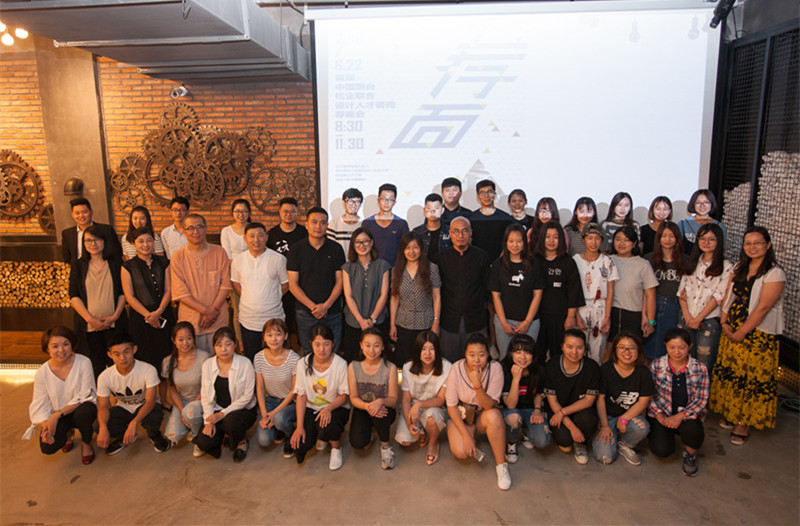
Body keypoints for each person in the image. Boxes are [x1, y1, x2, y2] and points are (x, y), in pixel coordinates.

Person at [711, 226, 786, 445]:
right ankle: (730, 411)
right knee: (732, 373)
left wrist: (743, 331)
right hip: (732, 328)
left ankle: (743, 422)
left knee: (750, 378)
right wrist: (724, 321)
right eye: (748, 243)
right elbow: (729, 295)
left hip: (757, 334)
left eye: (757, 243)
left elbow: (763, 307)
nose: (752, 247)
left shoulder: (774, 273)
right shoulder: (739, 267)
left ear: (768, 245)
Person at [445, 333, 511, 490]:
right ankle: (470, 433)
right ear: (465, 355)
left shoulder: (495, 368)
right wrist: (467, 436)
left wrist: (477, 385)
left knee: (494, 416)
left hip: (483, 415)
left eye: (481, 355)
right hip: (462, 416)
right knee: (461, 451)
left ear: (488, 354)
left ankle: (501, 466)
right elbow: (451, 406)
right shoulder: (456, 368)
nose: (476, 360)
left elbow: (488, 405)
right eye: (472, 355)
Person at [25, 326, 97, 464]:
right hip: (60, 415)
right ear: (47, 349)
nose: (61, 350)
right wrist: (47, 426)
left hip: (80, 409)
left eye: (65, 344)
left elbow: (85, 395)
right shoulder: (42, 373)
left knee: (84, 412)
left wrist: (56, 415)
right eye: (55, 346)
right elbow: (41, 402)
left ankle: (86, 443)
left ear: (72, 345)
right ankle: (67, 434)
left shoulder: (83, 362)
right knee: (47, 447)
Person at [648, 327, 709, 477]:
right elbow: (649, 395)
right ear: (666, 346)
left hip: (686, 415)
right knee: (662, 450)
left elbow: (701, 399)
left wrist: (680, 416)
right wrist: (659, 415)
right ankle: (668, 434)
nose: (677, 352)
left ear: (690, 346)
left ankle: (690, 454)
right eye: (672, 347)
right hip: (662, 414)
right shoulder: (656, 365)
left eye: (682, 347)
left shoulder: (700, 368)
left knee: (693, 431)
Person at [69, 224, 128, 379]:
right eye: (88, 240)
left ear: (104, 241)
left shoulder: (116, 263)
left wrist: (114, 316)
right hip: (89, 327)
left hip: (114, 324)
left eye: (97, 240)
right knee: (94, 367)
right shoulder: (78, 266)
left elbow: (123, 292)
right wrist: (91, 320)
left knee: (118, 367)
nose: (93, 244)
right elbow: (74, 296)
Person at [96, 333, 170, 456]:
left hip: (145, 405)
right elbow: (103, 406)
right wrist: (102, 427)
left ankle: (154, 435)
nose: (122, 358)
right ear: (110, 355)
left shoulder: (148, 369)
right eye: (117, 354)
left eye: (126, 352)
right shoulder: (105, 376)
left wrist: (134, 422)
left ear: (134, 350)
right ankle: (124, 436)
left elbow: (150, 401)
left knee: (154, 414)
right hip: (123, 408)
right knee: (99, 423)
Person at [291, 323, 350, 470]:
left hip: (335, 407)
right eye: (317, 344)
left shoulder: (340, 364)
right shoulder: (302, 363)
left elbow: (343, 396)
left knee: (327, 425)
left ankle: (335, 447)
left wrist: (328, 409)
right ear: (311, 343)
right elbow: (301, 396)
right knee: (300, 447)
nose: (321, 349)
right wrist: (299, 427)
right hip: (312, 407)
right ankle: (320, 435)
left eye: (326, 344)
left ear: (333, 343)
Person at [287, 207, 346, 354]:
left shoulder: (336, 249)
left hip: (332, 311)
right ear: (306, 225)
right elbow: (293, 284)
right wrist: (314, 307)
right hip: (305, 313)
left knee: (332, 352)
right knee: (309, 353)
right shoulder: (296, 250)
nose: (318, 226)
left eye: (323, 222)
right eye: (314, 222)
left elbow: (340, 281)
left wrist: (326, 306)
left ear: (327, 226)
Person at [170, 213, 232, 352]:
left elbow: (225, 285)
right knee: (195, 360)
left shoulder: (219, 252)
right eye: (190, 228)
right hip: (191, 322)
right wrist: (207, 312)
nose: (195, 231)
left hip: (218, 320)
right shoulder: (178, 257)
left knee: (220, 359)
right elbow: (181, 293)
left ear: (206, 228)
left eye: (199, 227)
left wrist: (213, 311)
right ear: (184, 231)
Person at [677, 223, 732, 377]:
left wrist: (698, 319)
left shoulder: (726, 266)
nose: (706, 242)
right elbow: (681, 293)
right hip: (686, 318)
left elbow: (719, 296)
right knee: (682, 359)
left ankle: (701, 392)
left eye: (711, 239)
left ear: (719, 241)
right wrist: (688, 317)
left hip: (708, 320)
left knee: (704, 364)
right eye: (702, 239)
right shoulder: (692, 262)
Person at [592, 332, 654, 466]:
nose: (627, 352)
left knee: (642, 428)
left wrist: (624, 419)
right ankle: (610, 436)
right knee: (605, 457)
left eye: (631, 348)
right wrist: (604, 426)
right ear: (615, 349)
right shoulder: (606, 369)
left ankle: (625, 444)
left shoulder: (643, 372)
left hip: (629, 416)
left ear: (638, 350)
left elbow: (643, 401)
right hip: (607, 417)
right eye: (622, 347)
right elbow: (600, 399)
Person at [195, 328, 256, 462]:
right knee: (204, 442)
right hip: (217, 409)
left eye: (228, 344)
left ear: (235, 344)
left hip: (242, 410)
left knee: (231, 421)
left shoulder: (245, 363)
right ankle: (225, 434)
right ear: (214, 347)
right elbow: (205, 395)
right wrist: (208, 421)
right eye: (219, 345)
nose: (224, 349)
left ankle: (241, 442)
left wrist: (222, 414)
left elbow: (247, 397)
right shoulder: (208, 365)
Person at [121, 227, 175, 375]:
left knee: (166, 356)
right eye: (141, 241)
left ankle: (165, 390)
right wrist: (149, 316)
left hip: (164, 314)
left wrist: (158, 312)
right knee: (144, 357)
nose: (145, 244)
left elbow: (168, 290)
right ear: (133, 243)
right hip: (141, 318)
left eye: (149, 241)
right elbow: (129, 296)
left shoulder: (164, 262)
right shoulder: (127, 266)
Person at [231, 222, 288, 361]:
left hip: (273, 318)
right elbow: (236, 284)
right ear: (245, 239)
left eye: (260, 235)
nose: (256, 240)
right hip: (248, 320)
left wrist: (271, 298)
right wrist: (250, 298)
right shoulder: (238, 260)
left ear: (266, 237)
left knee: (275, 358)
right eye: (251, 236)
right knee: (252, 359)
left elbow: (286, 284)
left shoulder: (278, 259)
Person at [436, 217, 490, 362]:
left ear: (470, 233)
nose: (460, 235)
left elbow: (487, 288)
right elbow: (437, 292)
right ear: (450, 234)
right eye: (456, 231)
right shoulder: (441, 259)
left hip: (476, 320)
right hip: (449, 321)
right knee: (449, 362)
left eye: (464, 231)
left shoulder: (482, 257)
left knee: (476, 362)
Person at [544, 329, 600, 465]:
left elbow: (588, 401)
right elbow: (552, 400)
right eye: (569, 347)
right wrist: (571, 427)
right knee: (564, 440)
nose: (574, 352)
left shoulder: (592, 367)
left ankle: (581, 444)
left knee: (587, 420)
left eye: (579, 347)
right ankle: (573, 436)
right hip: (557, 409)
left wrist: (563, 413)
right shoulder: (552, 365)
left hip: (580, 410)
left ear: (585, 348)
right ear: (562, 346)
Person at [489, 224, 544, 360]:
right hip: (504, 321)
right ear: (506, 242)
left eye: (519, 241)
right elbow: (496, 296)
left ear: (524, 242)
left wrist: (527, 322)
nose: (515, 245)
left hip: (530, 322)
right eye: (511, 241)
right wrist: (503, 323)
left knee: (527, 359)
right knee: (505, 359)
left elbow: (537, 295)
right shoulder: (498, 265)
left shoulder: (534, 264)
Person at [395, 331, 451, 466]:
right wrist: (409, 423)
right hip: (414, 408)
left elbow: (441, 399)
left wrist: (419, 404)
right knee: (405, 441)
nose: (428, 353)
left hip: (434, 408)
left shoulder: (446, 366)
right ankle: (423, 431)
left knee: (431, 418)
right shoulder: (408, 367)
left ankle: (433, 443)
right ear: (417, 350)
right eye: (423, 349)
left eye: (432, 349)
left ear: (438, 350)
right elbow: (406, 400)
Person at [532, 221, 584, 365]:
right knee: (537, 354)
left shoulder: (568, 262)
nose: (551, 241)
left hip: (560, 317)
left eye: (556, 237)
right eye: (548, 237)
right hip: (537, 317)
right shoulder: (534, 260)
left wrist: (571, 317)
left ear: (561, 239)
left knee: (558, 355)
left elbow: (574, 291)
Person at [348, 328, 399, 470]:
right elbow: (353, 397)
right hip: (362, 408)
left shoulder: (390, 367)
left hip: (384, 409)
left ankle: (385, 446)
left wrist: (380, 401)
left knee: (380, 413)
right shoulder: (353, 366)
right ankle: (370, 431)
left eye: (376, 345)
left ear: (382, 347)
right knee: (358, 442)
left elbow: (393, 398)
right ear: (361, 345)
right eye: (367, 345)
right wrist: (368, 406)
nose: (372, 350)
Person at [389, 231, 442, 366]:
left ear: (421, 249)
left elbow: (436, 297)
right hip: (403, 323)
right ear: (402, 250)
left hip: (426, 323)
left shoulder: (432, 268)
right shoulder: (396, 270)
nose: (411, 251)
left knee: (424, 360)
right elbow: (394, 298)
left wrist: (436, 322)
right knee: (403, 361)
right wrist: (392, 324)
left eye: (415, 247)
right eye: (407, 247)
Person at [341, 228, 391, 362]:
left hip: (377, 322)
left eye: (365, 241)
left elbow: (383, 295)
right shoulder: (347, 267)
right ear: (353, 245)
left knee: (378, 360)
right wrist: (361, 320)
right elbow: (348, 296)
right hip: (354, 322)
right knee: (354, 360)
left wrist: (372, 320)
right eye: (358, 242)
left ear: (372, 242)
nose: (362, 245)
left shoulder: (383, 266)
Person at [254, 319, 300, 458]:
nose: (273, 339)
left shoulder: (294, 358)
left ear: (285, 336)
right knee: (264, 440)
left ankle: (290, 434)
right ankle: (279, 428)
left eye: (278, 334)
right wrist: (265, 414)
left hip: (290, 402)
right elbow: (260, 388)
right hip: (270, 401)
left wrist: (274, 413)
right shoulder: (259, 357)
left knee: (280, 419)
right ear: (264, 337)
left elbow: (294, 390)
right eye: (269, 335)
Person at [573, 223, 618, 364]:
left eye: (597, 238)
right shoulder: (575, 260)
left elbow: (610, 291)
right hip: (580, 307)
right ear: (583, 239)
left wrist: (607, 317)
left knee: (597, 353)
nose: (593, 242)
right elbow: (572, 289)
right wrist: (576, 315)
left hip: (600, 308)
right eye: (590, 238)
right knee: (577, 348)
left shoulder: (607, 261)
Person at [501, 334, 550, 465]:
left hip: (529, 408)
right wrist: (516, 379)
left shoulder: (539, 370)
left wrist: (537, 410)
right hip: (510, 410)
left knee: (542, 441)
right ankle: (511, 443)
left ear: (533, 355)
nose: (522, 357)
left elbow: (539, 393)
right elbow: (510, 405)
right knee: (513, 417)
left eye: (527, 352)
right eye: (518, 352)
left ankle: (526, 431)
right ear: (511, 353)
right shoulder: (504, 370)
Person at [161, 322, 209, 447]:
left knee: (191, 413)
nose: (185, 343)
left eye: (189, 338)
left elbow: (207, 388)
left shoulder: (204, 357)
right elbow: (172, 389)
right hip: (183, 401)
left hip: (202, 399)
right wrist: (182, 411)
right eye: (180, 339)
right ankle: (193, 423)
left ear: (194, 339)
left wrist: (188, 412)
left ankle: (195, 433)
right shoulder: (167, 362)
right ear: (173, 340)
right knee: (172, 436)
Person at [267, 197, 308, 336]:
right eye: (285, 211)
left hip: (301, 282)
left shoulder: (304, 232)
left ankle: (301, 344)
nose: (288, 214)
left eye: (292, 211)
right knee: (284, 319)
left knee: (301, 318)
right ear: (279, 212)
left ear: (297, 212)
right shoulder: (272, 234)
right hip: (281, 283)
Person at [608, 226, 658, 342]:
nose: (621, 243)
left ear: (634, 243)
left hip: (633, 315)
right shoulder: (607, 260)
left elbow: (650, 295)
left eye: (626, 240)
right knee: (609, 349)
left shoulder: (643, 264)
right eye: (618, 239)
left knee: (631, 347)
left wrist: (651, 321)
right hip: (610, 313)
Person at [643, 222, 684, 360]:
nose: (668, 239)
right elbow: (645, 291)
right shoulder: (648, 259)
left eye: (672, 236)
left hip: (676, 305)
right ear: (658, 238)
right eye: (664, 236)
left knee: (671, 346)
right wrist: (647, 316)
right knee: (649, 347)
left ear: (677, 238)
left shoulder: (685, 260)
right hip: (654, 304)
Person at [221, 198, 252, 344]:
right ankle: (240, 343)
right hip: (235, 276)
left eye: (244, 211)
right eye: (237, 211)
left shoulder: (253, 229)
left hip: (255, 275)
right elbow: (227, 256)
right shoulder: (226, 231)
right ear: (232, 213)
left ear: (249, 213)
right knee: (237, 312)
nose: (241, 214)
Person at [61, 197, 122, 266]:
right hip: (78, 270)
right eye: (77, 213)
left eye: (85, 212)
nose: (81, 216)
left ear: (91, 212)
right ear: (72, 214)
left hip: (103, 268)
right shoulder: (67, 234)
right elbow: (67, 258)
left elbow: (117, 253)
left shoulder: (106, 230)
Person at [362, 183, 410, 265]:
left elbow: (406, 248)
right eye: (383, 199)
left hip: (395, 269)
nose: (386, 202)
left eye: (390, 199)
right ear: (378, 200)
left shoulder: (401, 224)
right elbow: (363, 248)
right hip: (372, 268)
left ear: (394, 202)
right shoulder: (367, 223)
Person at [469, 179, 513, 262]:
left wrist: (499, 262)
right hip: (477, 262)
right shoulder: (471, 218)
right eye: (482, 193)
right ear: (478, 196)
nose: (486, 196)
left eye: (490, 192)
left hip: (501, 263)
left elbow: (508, 242)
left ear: (495, 195)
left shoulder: (505, 218)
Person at [677, 189, 727, 256]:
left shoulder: (719, 226)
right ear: (693, 204)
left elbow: (721, 251)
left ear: (711, 204)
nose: (702, 206)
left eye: (706, 202)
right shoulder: (683, 224)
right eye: (698, 203)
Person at [412, 193, 452, 262]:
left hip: (445, 267)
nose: (432, 211)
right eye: (429, 208)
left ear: (442, 210)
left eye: (436, 208)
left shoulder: (450, 231)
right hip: (423, 268)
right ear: (424, 210)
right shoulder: (416, 232)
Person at [327, 187, 363, 255]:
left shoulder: (364, 224)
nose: (353, 205)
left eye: (357, 202)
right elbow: (330, 248)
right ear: (344, 202)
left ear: (360, 204)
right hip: (339, 261)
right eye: (350, 201)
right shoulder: (333, 224)